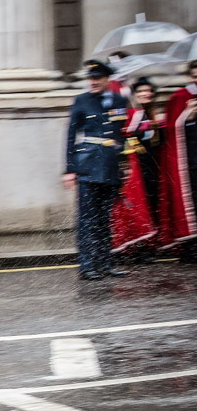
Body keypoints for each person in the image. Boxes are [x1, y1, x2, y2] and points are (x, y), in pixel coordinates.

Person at [63, 60, 129, 280]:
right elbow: (71, 135)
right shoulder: (81, 100)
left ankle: (105, 263)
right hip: (88, 166)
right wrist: (69, 168)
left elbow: (122, 134)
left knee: (104, 218)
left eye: (97, 78)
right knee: (87, 219)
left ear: (106, 80)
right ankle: (87, 265)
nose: (93, 82)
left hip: (110, 166)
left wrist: (123, 164)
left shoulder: (119, 100)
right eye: (91, 78)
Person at [111, 78, 163, 260]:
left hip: (150, 167)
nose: (144, 94)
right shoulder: (131, 114)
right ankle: (133, 247)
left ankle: (147, 245)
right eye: (140, 91)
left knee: (148, 205)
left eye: (148, 90)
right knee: (134, 206)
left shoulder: (151, 115)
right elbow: (122, 136)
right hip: (134, 166)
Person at [158, 59, 197, 261]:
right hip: (189, 162)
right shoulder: (180, 97)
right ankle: (191, 247)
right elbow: (171, 128)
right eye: (196, 75)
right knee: (191, 203)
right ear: (191, 76)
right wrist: (187, 117)